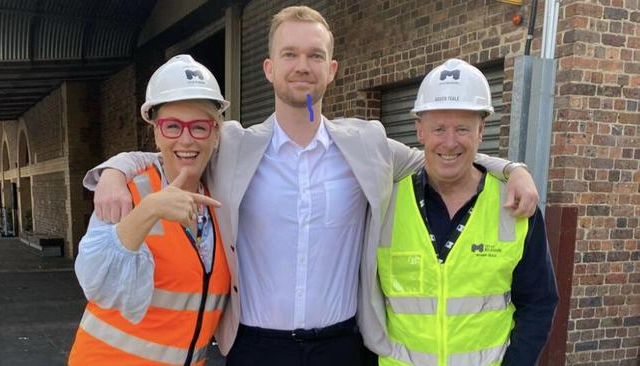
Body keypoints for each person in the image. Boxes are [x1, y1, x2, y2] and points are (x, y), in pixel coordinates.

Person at [83, 6, 539, 366]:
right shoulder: (235, 146)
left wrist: (512, 168)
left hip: (342, 346)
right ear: (268, 67)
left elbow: (445, 155)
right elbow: (178, 145)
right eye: (290, 54)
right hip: (255, 348)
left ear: (332, 68)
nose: (302, 66)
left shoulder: (368, 143)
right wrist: (115, 171)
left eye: (315, 55)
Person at [377, 59, 558, 366]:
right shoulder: (384, 202)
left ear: (481, 130)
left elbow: (539, 304)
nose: (450, 142)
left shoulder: (515, 204)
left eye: (462, 128)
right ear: (419, 130)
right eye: (439, 128)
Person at [68, 55, 230, 365]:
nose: (186, 139)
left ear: (216, 133)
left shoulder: (221, 196)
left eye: (199, 127)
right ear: (155, 131)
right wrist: (149, 209)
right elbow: (96, 282)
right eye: (172, 126)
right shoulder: (127, 192)